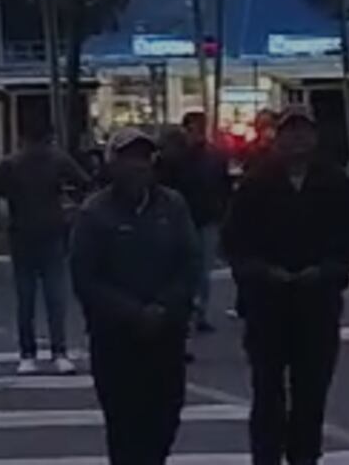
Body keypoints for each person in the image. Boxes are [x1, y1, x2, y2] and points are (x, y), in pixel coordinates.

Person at [223, 106, 349, 465]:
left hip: (317, 302)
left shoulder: (335, 184)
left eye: (304, 131)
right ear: (278, 137)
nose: (297, 138)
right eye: (289, 131)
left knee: (311, 393)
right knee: (267, 391)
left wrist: (327, 271)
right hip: (266, 304)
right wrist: (261, 271)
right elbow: (235, 243)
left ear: (315, 137)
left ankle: (305, 457)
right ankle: (266, 457)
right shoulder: (257, 183)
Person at [72, 128, 200, 465]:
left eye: (143, 158)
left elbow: (190, 263)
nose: (137, 166)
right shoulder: (94, 213)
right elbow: (86, 278)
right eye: (128, 158)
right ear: (113, 164)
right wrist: (131, 312)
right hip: (116, 338)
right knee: (125, 426)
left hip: (166, 334)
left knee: (164, 419)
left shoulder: (173, 206)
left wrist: (166, 306)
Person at [0, 119, 90, 374]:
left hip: (21, 233)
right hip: (52, 232)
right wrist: (72, 207)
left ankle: (27, 354)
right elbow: (85, 183)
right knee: (55, 298)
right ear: (48, 138)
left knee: (26, 299)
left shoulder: (10, 163)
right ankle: (59, 352)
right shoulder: (57, 160)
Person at [157, 112, 232, 333]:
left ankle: (198, 311)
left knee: (201, 268)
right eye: (194, 128)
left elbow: (221, 185)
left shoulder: (212, 156)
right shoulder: (178, 157)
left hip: (204, 215)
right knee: (190, 267)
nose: (197, 133)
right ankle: (191, 311)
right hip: (188, 216)